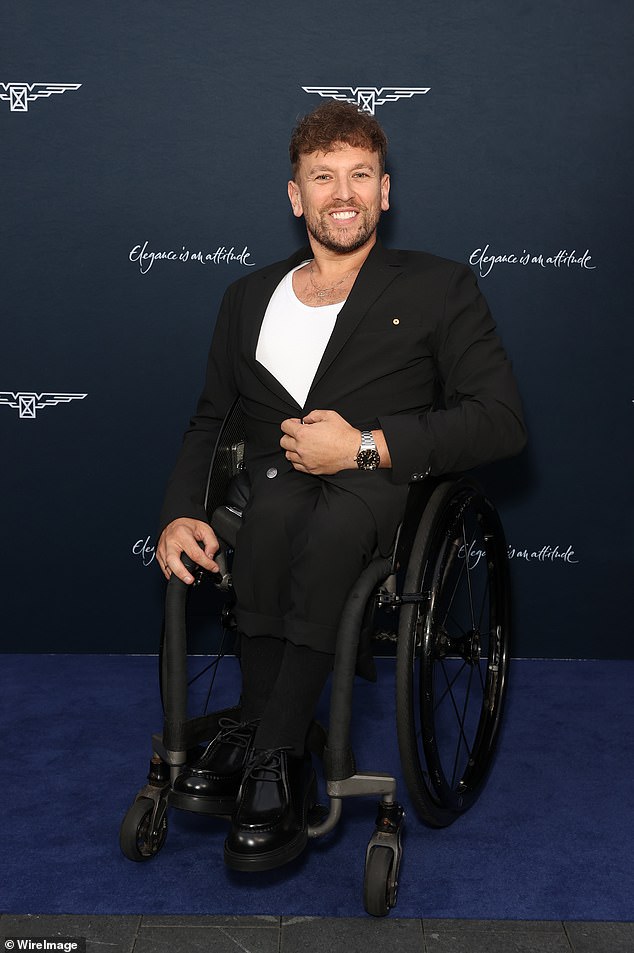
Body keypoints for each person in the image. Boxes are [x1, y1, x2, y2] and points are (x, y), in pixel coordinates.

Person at [156, 101, 526, 873]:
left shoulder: (440, 287)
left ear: (385, 191)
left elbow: (499, 421)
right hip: (266, 496)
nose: (343, 192)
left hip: (381, 494)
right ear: (297, 197)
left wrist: (365, 445)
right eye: (323, 176)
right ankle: (277, 736)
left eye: (360, 174)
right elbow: (209, 423)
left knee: (323, 520)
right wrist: (182, 514)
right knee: (272, 508)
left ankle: (271, 747)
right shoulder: (246, 298)